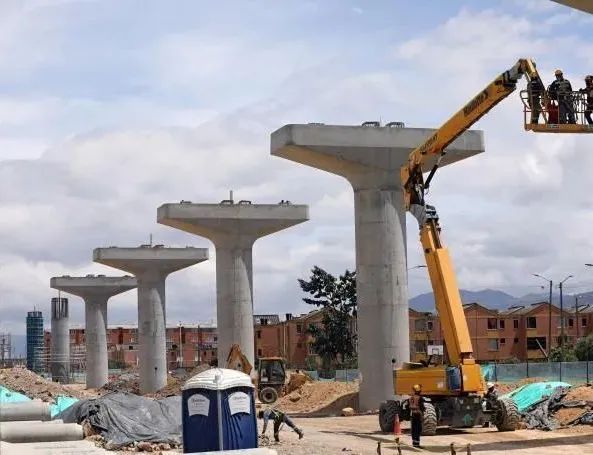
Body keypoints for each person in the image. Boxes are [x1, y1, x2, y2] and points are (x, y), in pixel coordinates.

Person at [408, 384, 426, 448]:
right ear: (419, 391)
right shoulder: (420, 398)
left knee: (414, 429)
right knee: (418, 429)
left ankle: (414, 443)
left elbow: (408, 406)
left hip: (413, 414)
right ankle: (417, 444)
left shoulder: (411, 398)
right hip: (418, 415)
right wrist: (424, 410)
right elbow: (422, 407)